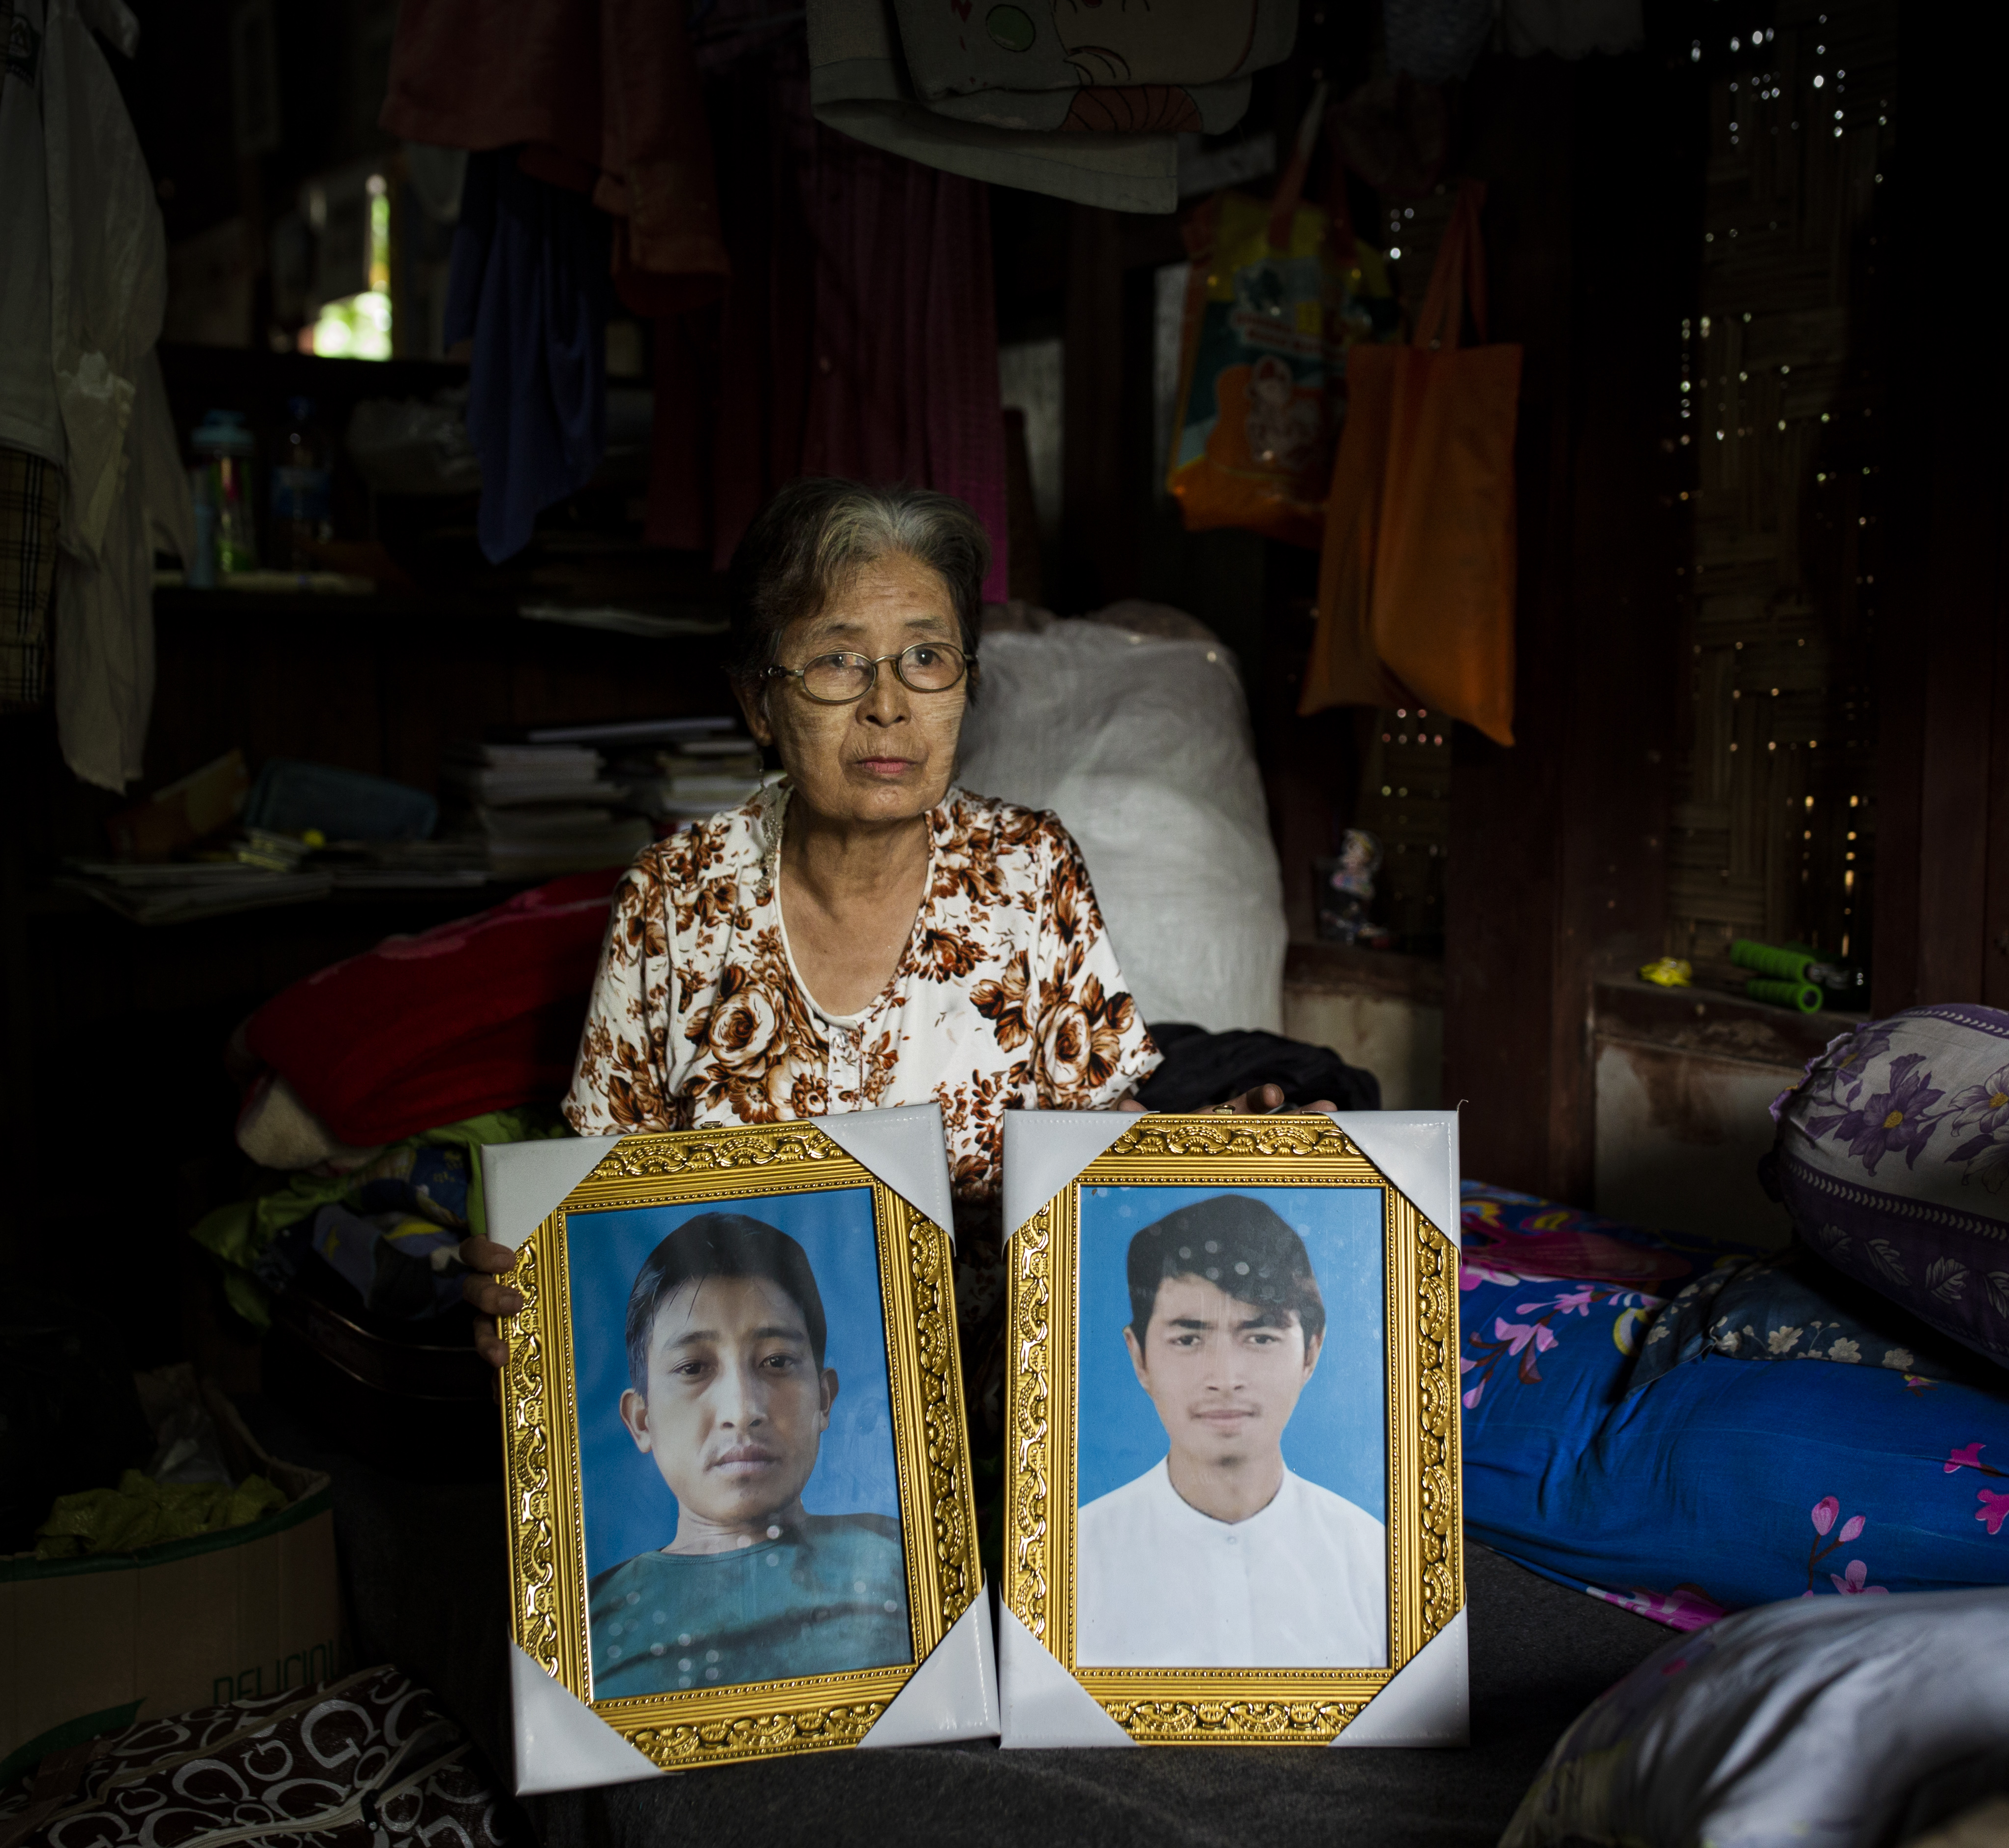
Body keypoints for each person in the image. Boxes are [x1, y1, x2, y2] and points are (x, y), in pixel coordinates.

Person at [463, 478, 1327, 1365]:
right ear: (758, 703)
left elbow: (1099, 1163)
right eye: (838, 662)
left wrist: (1226, 1146)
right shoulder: (675, 898)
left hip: (999, 1405)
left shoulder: (1030, 872)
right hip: (759, 1414)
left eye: (926, 658)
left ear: (965, 686)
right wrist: (530, 1290)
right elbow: (605, 1215)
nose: (889, 704)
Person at [587, 1212, 910, 1698]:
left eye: (777, 1361)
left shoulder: (907, 1561)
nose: (742, 1410)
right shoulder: (585, 1624)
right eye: (693, 1367)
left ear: (823, 1398)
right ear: (641, 1420)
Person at [1074, 1193, 1386, 1668]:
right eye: (1188, 1338)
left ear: (1311, 1352)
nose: (1224, 1377)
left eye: (1260, 1337)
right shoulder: (1072, 1562)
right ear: (1139, 1358)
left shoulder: (1376, 1561)